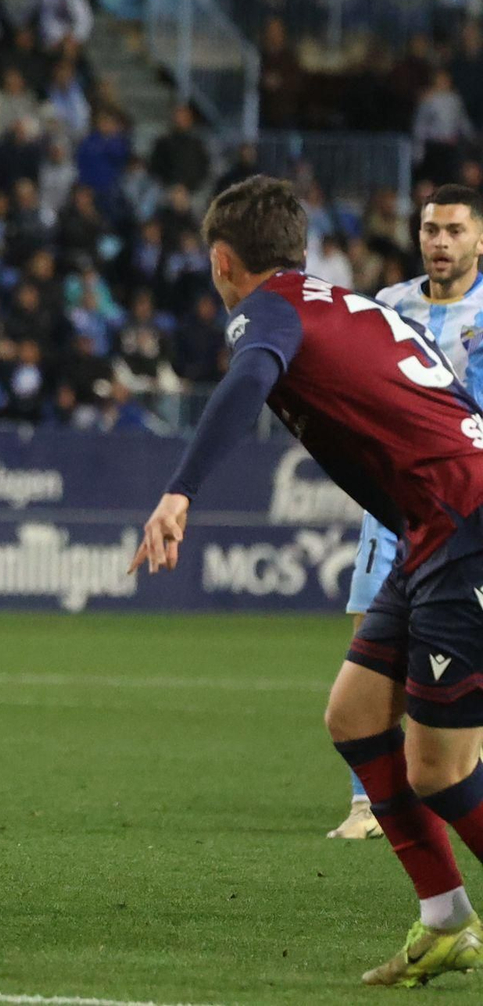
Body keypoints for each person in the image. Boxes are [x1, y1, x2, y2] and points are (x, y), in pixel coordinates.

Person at [132, 175, 483, 987]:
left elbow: (249, 380)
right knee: (356, 717)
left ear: (224, 262)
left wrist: (180, 489)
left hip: (461, 525)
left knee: (440, 769)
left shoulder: (270, 310)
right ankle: (446, 919)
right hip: (436, 525)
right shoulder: (342, 300)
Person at [333, 184, 483, 841]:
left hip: (467, 510)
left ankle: (460, 777)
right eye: (430, 230)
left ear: (479, 238)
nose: (440, 242)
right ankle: (368, 802)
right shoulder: (388, 304)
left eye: (454, 230)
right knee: (371, 638)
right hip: (391, 505)